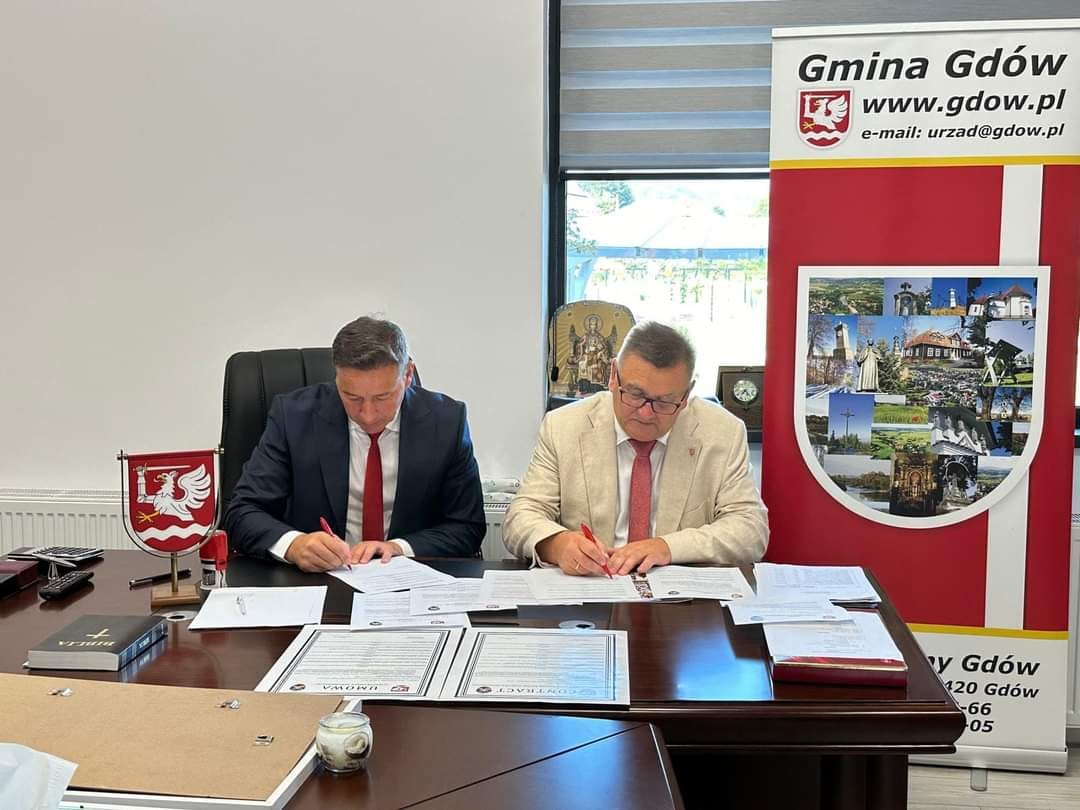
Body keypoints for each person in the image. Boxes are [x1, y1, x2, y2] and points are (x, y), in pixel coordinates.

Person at [503, 321, 768, 576]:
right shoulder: (563, 427)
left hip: (681, 597)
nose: (645, 413)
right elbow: (521, 516)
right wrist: (558, 544)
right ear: (612, 376)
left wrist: (667, 547)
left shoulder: (723, 432)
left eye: (664, 402)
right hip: (593, 589)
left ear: (686, 395)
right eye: (634, 394)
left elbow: (751, 530)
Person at [224, 317, 485, 571]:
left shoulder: (447, 422)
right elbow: (242, 512)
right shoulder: (292, 417)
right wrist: (294, 545)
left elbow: (467, 527)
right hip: (315, 582)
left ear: (407, 375)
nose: (368, 415)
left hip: (407, 582)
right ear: (337, 379)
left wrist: (399, 547)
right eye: (352, 397)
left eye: (382, 397)